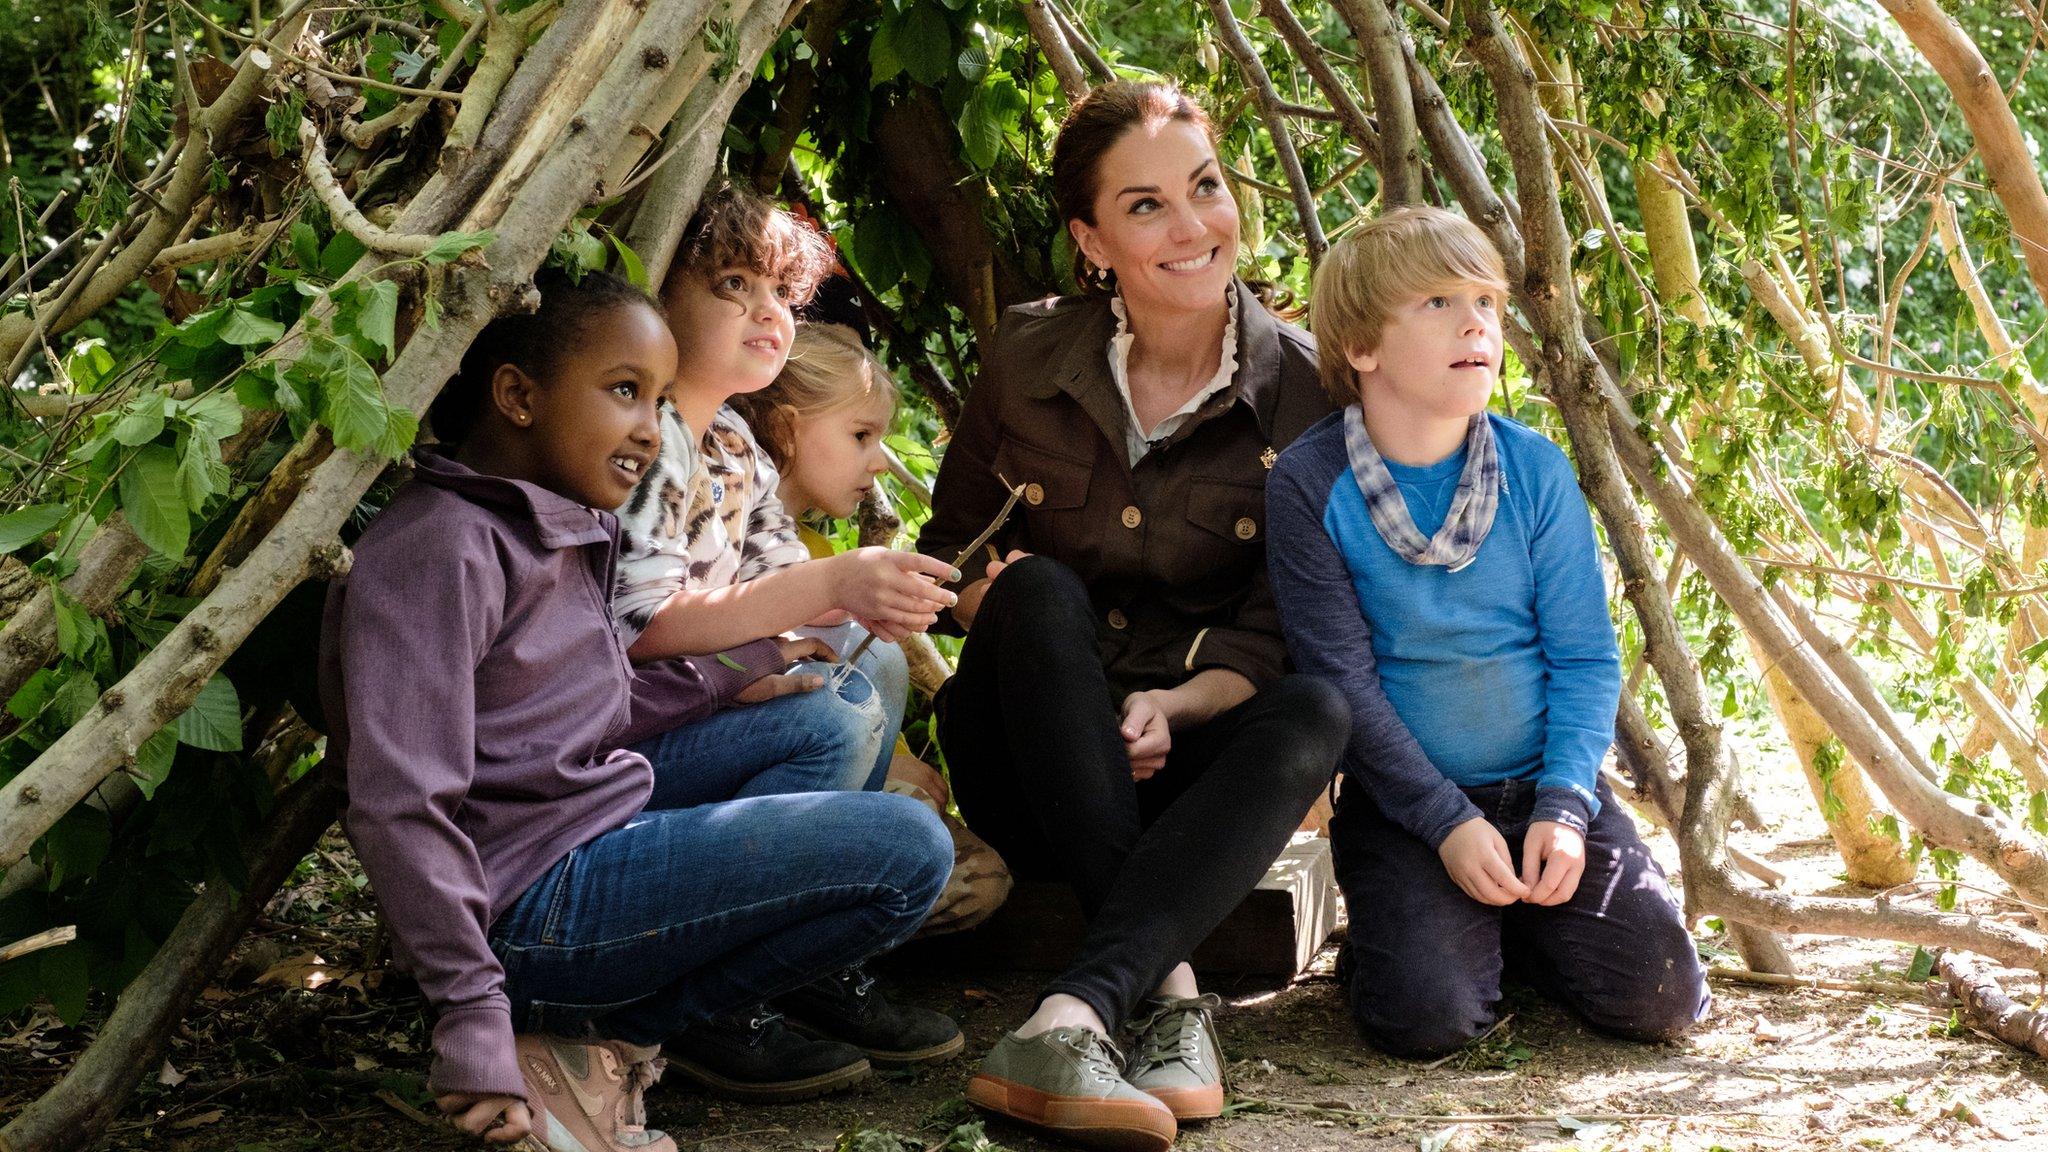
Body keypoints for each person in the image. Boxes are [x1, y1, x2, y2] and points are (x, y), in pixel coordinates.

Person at [321, 269, 954, 1152]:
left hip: (590, 828)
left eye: (658, 400)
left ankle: (597, 1040)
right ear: (517, 396)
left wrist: (753, 660)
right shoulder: (438, 551)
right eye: (625, 392)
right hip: (526, 904)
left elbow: (600, 709)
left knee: (825, 715)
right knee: (909, 851)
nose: (649, 431)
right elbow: (400, 807)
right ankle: (579, 1030)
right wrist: (465, 1012)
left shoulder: (560, 522)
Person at [918, 81, 1349, 1152]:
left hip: (1187, 779)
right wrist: (1010, 610)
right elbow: (948, 557)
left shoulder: (1306, 395)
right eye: (1145, 205)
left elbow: (1274, 627)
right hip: (1025, 758)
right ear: (1090, 239)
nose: (1192, 224)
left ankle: (1073, 1015)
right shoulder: (1023, 361)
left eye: (1204, 188)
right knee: (1037, 587)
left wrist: (1172, 705)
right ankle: (1169, 993)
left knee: (1315, 708)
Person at [1265, 205, 1710, 1059]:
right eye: (1437, 302)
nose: (1476, 321)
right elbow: (1345, 685)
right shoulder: (1310, 486)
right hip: (1408, 810)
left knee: (1663, 998)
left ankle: (1519, 929)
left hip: (1547, 793)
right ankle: (1417, 941)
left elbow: (1585, 658)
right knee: (1427, 1023)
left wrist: (1568, 806)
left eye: (1487, 301)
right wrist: (1442, 821)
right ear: (1363, 346)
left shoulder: (1534, 471)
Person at [606, 188, 966, 1085]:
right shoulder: (649, 439)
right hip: (634, 745)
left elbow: (784, 595)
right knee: (838, 719)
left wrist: (887, 598)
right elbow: (639, 628)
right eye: (734, 285)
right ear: (658, 294)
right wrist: (810, 603)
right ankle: (712, 996)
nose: (769, 315)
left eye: (782, 296)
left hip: (708, 702)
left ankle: (796, 968)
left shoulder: (729, 438)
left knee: (869, 657)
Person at [730, 322, 1015, 934]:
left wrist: (899, 759)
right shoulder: (720, 541)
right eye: (861, 435)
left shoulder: (812, 545)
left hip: (822, 762)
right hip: (744, 790)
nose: (880, 459)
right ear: (784, 430)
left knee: (983, 878)